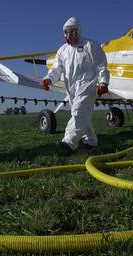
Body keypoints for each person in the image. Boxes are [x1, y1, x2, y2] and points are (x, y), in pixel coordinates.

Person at [41, 17, 110, 154]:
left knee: (79, 111)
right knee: (81, 113)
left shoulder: (90, 45)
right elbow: (56, 69)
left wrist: (103, 82)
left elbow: (101, 65)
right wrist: (48, 79)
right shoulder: (62, 50)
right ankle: (91, 141)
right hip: (71, 87)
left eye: (73, 31)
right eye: (67, 32)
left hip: (88, 84)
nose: (70, 35)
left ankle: (68, 143)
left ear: (79, 31)